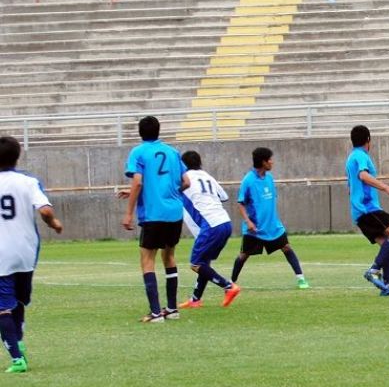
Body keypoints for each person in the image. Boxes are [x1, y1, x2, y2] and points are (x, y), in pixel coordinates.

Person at [0, 136, 63, 373]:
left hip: (1, 254)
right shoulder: (28, 181)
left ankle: (17, 359)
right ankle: (19, 340)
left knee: (2, 307)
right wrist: (54, 222)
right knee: (18, 300)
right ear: (18, 156)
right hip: (27, 251)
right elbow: (45, 209)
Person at [121, 116, 189, 323]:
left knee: (147, 260)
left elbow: (139, 183)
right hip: (174, 213)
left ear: (140, 132)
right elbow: (186, 182)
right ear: (159, 131)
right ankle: (171, 309)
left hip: (154, 214)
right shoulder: (172, 152)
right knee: (169, 257)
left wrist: (128, 213)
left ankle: (155, 312)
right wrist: (168, 193)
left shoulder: (139, 152)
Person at [230, 148, 310, 289]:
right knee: (243, 255)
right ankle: (231, 284)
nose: (272, 162)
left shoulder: (269, 178)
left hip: (273, 226)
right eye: (270, 160)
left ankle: (301, 279)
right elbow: (240, 203)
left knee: (286, 248)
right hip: (255, 228)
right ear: (263, 162)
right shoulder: (248, 180)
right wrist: (248, 221)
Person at [346, 125, 389, 296]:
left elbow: (350, 188)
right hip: (367, 208)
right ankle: (373, 270)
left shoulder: (351, 158)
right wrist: (387, 188)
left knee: (387, 246)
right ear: (368, 140)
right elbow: (363, 175)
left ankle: (387, 286)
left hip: (359, 212)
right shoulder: (361, 156)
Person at [178, 151, 240, 309]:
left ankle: (228, 286)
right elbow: (223, 196)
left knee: (196, 264)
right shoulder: (207, 176)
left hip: (211, 225)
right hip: (225, 222)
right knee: (204, 262)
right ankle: (195, 299)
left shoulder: (184, 178)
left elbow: (167, 191)